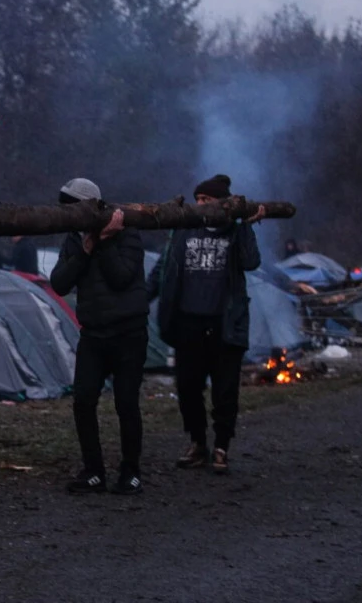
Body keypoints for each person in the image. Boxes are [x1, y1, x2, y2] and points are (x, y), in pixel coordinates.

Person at [148, 174, 264, 475]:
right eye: (198, 199)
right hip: (188, 323)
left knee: (225, 390)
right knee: (188, 387)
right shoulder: (184, 229)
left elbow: (251, 262)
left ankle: (222, 446)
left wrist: (246, 225)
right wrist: (141, 298)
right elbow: (164, 267)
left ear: (223, 204)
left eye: (207, 200)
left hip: (224, 324)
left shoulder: (234, 231)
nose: (200, 205)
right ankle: (198, 443)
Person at [50, 178, 149, 495]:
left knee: (126, 403)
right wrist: (86, 250)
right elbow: (59, 283)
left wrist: (104, 242)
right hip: (93, 333)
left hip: (129, 332)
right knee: (83, 401)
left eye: (74, 206)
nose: (70, 213)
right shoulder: (74, 239)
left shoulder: (128, 232)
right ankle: (93, 471)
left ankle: (131, 472)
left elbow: (121, 278)